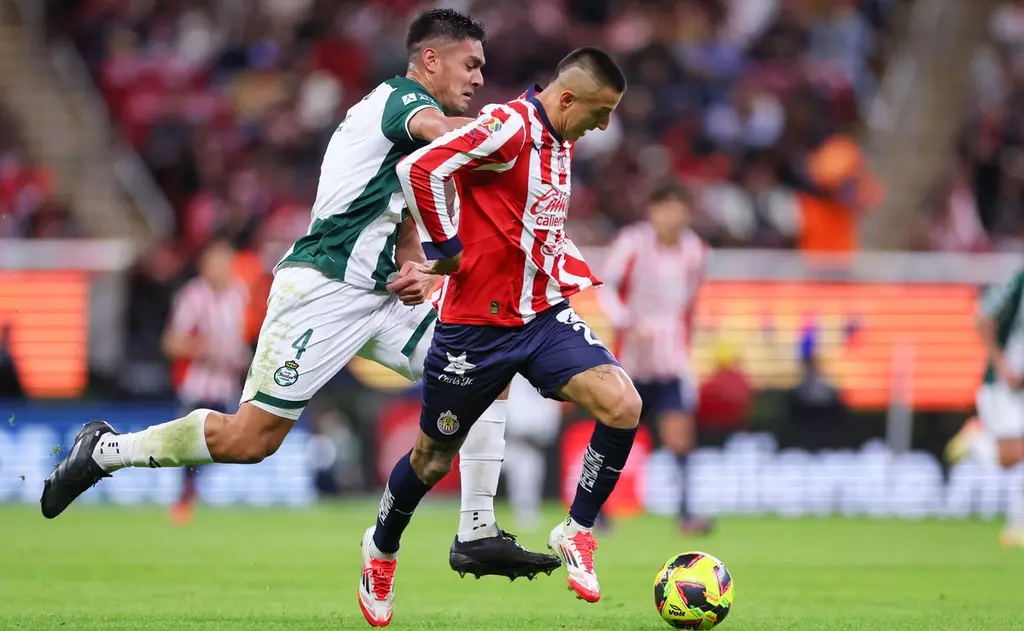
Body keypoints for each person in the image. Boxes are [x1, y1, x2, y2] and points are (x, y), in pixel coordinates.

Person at [40, 8, 558, 580]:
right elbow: (454, 136)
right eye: (471, 64)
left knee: (486, 361)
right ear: (430, 60)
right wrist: (524, 127)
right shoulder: (402, 101)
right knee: (249, 440)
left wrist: (425, 271)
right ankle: (106, 451)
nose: (479, 78)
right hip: (323, 291)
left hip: (379, 298)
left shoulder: (413, 144)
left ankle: (477, 529)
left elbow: (406, 227)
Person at [359, 47, 635, 626]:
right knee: (432, 461)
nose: (603, 126)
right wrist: (443, 254)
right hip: (474, 329)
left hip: (540, 316)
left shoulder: (561, 138)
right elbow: (420, 170)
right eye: (600, 113)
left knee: (622, 404)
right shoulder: (508, 126)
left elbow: (525, 224)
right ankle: (380, 550)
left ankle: (577, 530)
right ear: (567, 98)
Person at [598, 181, 711, 534]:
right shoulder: (632, 242)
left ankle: (686, 513)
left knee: (679, 434)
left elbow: (689, 305)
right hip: (632, 358)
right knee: (616, 434)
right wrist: (624, 321)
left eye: (679, 208)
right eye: (665, 207)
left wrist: (687, 349)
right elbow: (605, 285)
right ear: (652, 210)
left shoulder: (695, 251)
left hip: (670, 358)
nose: (672, 216)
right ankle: (597, 510)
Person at [161, 238, 251, 524]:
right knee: (191, 443)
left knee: (231, 443)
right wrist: (204, 350)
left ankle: (194, 490)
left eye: (226, 263)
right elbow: (171, 343)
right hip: (196, 387)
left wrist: (242, 356)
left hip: (227, 387)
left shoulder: (239, 293)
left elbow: (241, 338)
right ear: (204, 266)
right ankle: (185, 496)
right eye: (216, 263)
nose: (222, 269)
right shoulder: (192, 297)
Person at [945, 266, 1024, 548]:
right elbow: (982, 318)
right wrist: (1001, 365)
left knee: (1015, 459)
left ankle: (1017, 528)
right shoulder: (1020, 281)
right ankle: (975, 440)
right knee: (1012, 457)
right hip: (1003, 387)